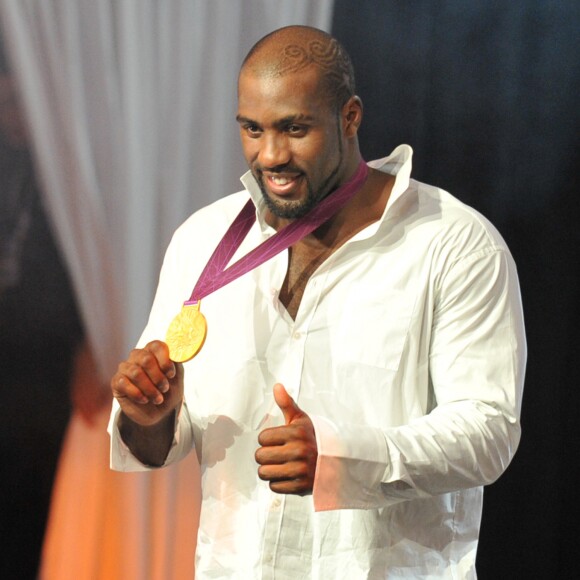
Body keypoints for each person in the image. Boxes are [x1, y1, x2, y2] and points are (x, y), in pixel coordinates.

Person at [109, 25, 526, 578]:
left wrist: (340, 458)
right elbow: (164, 436)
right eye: (252, 129)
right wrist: (148, 416)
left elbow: (488, 431)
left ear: (349, 118)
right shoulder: (202, 240)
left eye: (294, 128)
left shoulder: (454, 244)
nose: (270, 155)